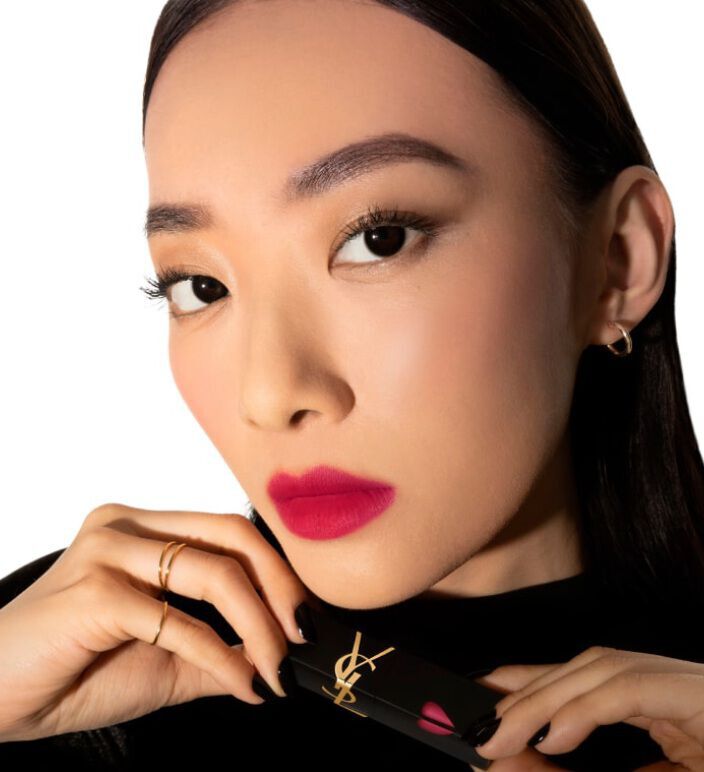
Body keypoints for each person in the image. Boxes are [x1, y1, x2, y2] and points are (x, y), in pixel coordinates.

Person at [1, 0, 703, 769]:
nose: (270, 393)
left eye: (378, 239)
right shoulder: (64, 663)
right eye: (199, 284)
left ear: (619, 261)